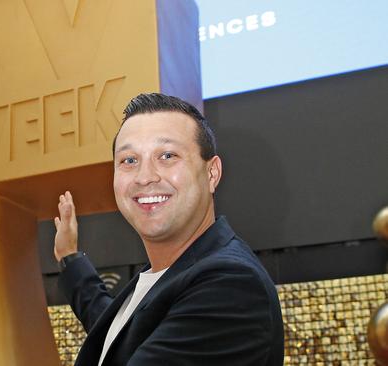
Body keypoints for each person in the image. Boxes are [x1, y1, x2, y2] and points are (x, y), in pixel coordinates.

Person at [53, 93, 284, 365]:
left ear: (212, 174)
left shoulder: (232, 285)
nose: (145, 176)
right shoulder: (164, 277)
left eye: (167, 155)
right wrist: (69, 258)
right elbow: (119, 332)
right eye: (129, 160)